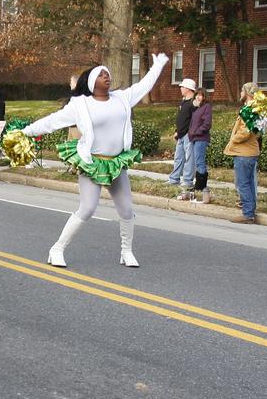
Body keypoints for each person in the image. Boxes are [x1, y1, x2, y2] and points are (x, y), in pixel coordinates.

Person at [19, 53, 170, 269]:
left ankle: (126, 251)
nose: (106, 76)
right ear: (92, 82)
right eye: (101, 74)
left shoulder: (122, 98)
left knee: (126, 210)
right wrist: (26, 131)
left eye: (107, 73)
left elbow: (144, 86)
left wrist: (157, 66)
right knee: (88, 208)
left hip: (115, 162)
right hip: (92, 163)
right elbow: (52, 121)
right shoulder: (80, 105)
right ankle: (57, 249)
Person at [225, 82, 261, 223]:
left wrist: (234, 139)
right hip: (251, 151)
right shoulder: (257, 108)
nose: (240, 93)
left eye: (241, 90)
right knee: (249, 183)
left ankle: (247, 213)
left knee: (243, 183)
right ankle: (250, 210)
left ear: (247, 93)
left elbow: (246, 131)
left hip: (244, 152)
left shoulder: (249, 109)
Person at [167, 77, 197, 194]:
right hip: (180, 134)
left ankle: (188, 180)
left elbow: (193, 121)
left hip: (188, 135)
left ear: (189, 89)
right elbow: (182, 119)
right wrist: (177, 131)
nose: (181, 89)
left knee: (189, 159)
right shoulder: (184, 102)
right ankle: (174, 178)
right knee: (178, 158)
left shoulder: (193, 104)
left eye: (183, 87)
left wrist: (186, 132)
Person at [188, 88, 212, 203]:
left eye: (200, 96)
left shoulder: (206, 107)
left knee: (200, 162)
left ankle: (201, 186)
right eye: (197, 95)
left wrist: (196, 132)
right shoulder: (197, 108)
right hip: (194, 138)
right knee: (197, 162)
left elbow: (206, 124)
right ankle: (198, 185)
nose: (198, 97)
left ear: (204, 97)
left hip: (201, 138)